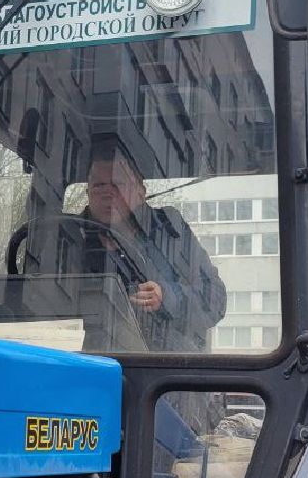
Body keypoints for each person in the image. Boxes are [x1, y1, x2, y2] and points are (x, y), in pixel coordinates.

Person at [77, 140, 227, 353]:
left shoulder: (170, 232)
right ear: (88, 192)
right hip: (88, 362)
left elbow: (215, 300)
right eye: (99, 185)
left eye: (118, 185)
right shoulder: (68, 234)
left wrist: (167, 297)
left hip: (162, 365)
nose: (108, 192)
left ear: (140, 192)